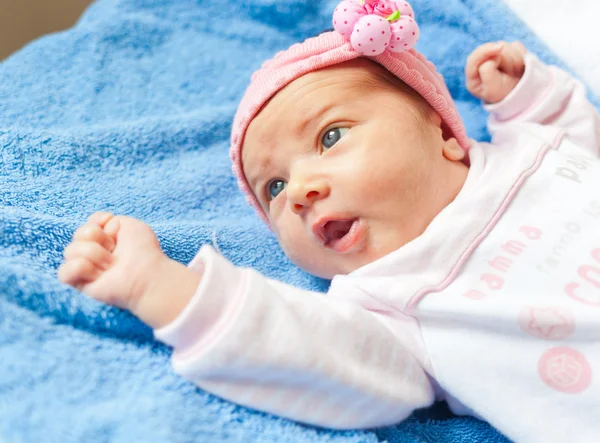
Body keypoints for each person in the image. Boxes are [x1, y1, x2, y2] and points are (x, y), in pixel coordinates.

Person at [57, 0, 600, 441]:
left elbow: (576, 140)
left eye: (330, 137)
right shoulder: (388, 306)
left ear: (442, 133)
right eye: (272, 189)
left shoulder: (531, 148)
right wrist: (159, 285)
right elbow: (304, 350)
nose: (298, 190)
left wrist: (527, 97)